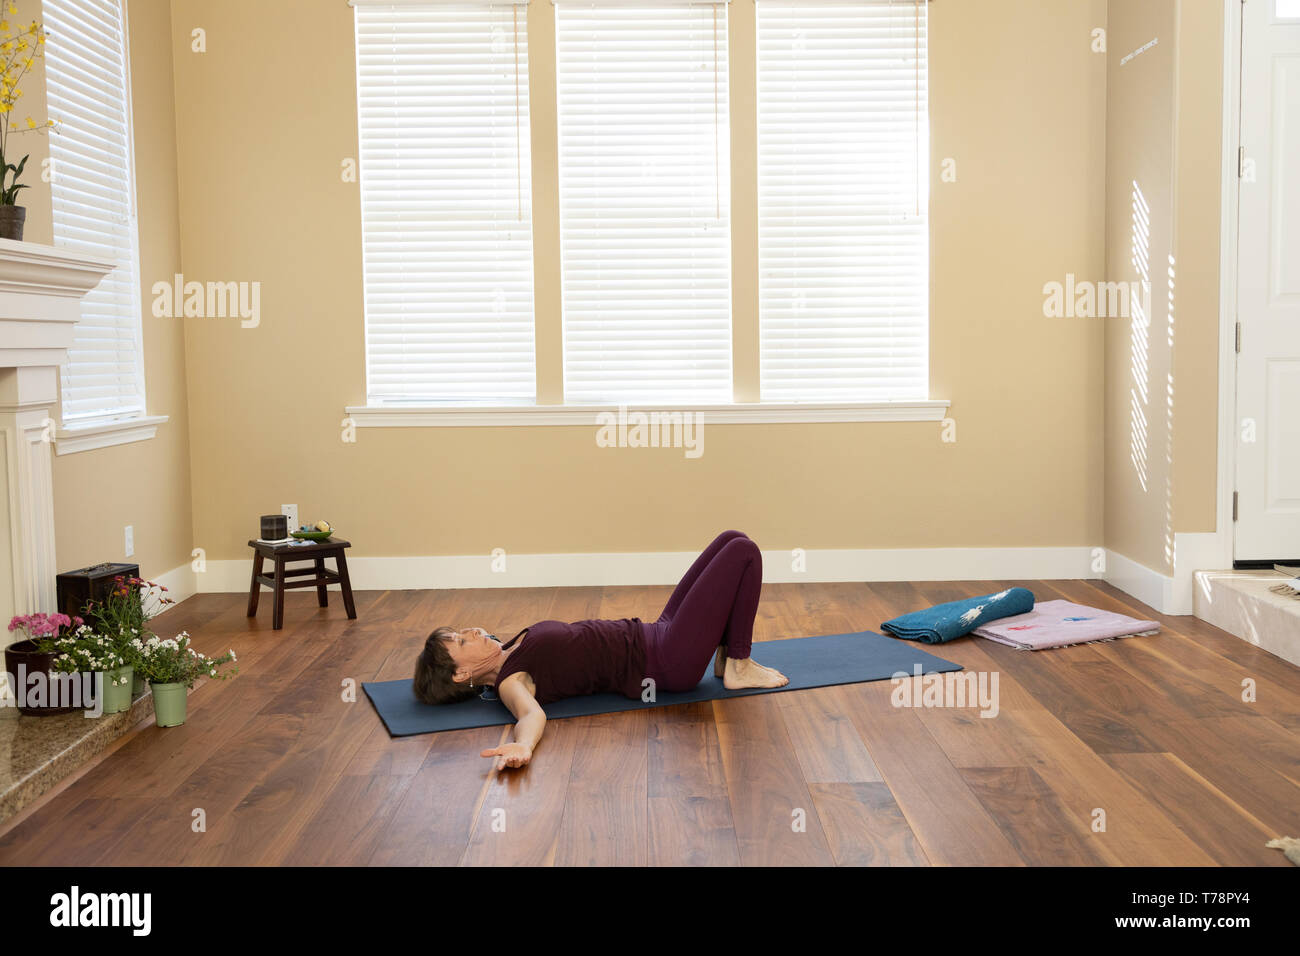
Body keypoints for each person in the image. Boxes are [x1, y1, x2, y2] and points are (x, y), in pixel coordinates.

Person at [412, 530, 788, 770]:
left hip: (655, 633)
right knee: (744, 551)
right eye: (461, 641)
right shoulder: (511, 681)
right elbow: (530, 716)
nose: (471, 631)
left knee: (730, 539)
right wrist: (521, 747)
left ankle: (728, 660)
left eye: (462, 632)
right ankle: (738, 664)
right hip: (666, 661)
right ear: (460, 674)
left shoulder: (510, 651)